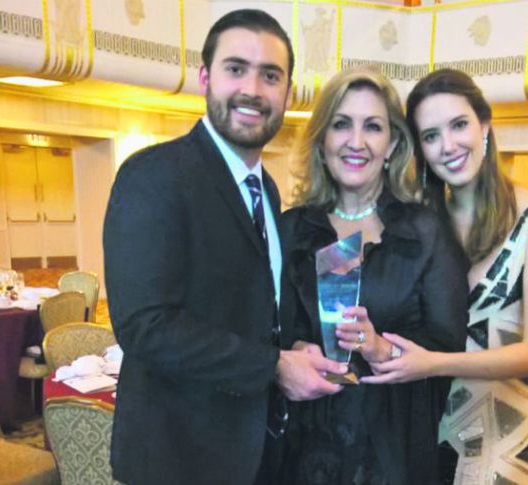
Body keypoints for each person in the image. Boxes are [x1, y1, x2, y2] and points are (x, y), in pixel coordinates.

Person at [102, 10, 348, 485]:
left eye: (270, 76)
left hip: (257, 452)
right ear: (205, 78)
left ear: (288, 94)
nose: (252, 89)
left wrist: (290, 345)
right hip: (178, 460)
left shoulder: (267, 190)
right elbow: (145, 326)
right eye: (236, 69)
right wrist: (274, 365)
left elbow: (249, 306)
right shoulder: (153, 175)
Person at [361, 69, 528, 485]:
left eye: (459, 125)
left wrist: (434, 364)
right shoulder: (421, 224)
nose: (448, 145)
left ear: (484, 126)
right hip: (424, 430)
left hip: (500, 441)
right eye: (431, 135)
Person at [277, 68, 470, 485]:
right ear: (322, 140)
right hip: (299, 449)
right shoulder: (290, 230)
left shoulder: (425, 233)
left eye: (373, 127)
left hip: (389, 451)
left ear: (393, 144)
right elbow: (259, 332)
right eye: (341, 124)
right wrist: (291, 348)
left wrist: (382, 348)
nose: (356, 141)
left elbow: (448, 348)